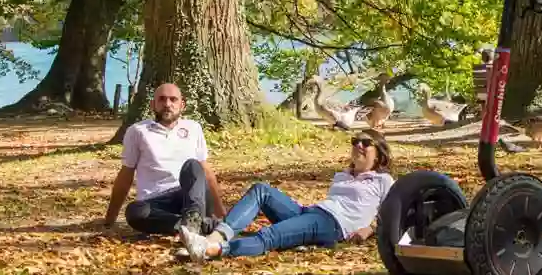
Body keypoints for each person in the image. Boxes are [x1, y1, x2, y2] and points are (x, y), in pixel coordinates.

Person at [178, 129, 394, 261]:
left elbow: (395, 214)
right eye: (355, 141)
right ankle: (215, 236)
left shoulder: (383, 181)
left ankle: (210, 249)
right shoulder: (342, 175)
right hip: (313, 213)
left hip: (333, 224)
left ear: (378, 154)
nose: (358, 145)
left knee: (270, 235)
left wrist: (370, 229)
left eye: (366, 143)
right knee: (261, 189)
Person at [102, 83, 228, 236]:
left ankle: (193, 219)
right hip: (156, 202)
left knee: (193, 166)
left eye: (173, 99)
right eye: (162, 99)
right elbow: (126, 174)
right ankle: (192, 226)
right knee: (135, 211)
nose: (167, 104)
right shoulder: (137, 131)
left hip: (191, 197)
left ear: (182, 105)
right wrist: (110, 219)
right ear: (152, 104)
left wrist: (221, 214)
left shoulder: (193, 128)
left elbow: (206, 172)